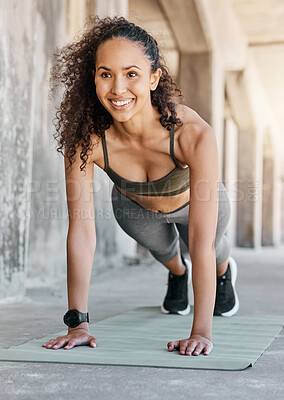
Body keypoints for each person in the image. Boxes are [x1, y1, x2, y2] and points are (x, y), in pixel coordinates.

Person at [42, 16, 239, 357]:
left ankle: (225, 272)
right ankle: (176, 274)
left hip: (196, 204)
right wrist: (78, 323)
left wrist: (201, 333)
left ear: (153, 78)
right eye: (106, 74)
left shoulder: (192, 133)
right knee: (168, 254)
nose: (118, 89)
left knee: (202, 249)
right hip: (137, 211)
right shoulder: (86, 142)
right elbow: (82, 232)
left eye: (131, 73)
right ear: (95, 78)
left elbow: (202, 242)